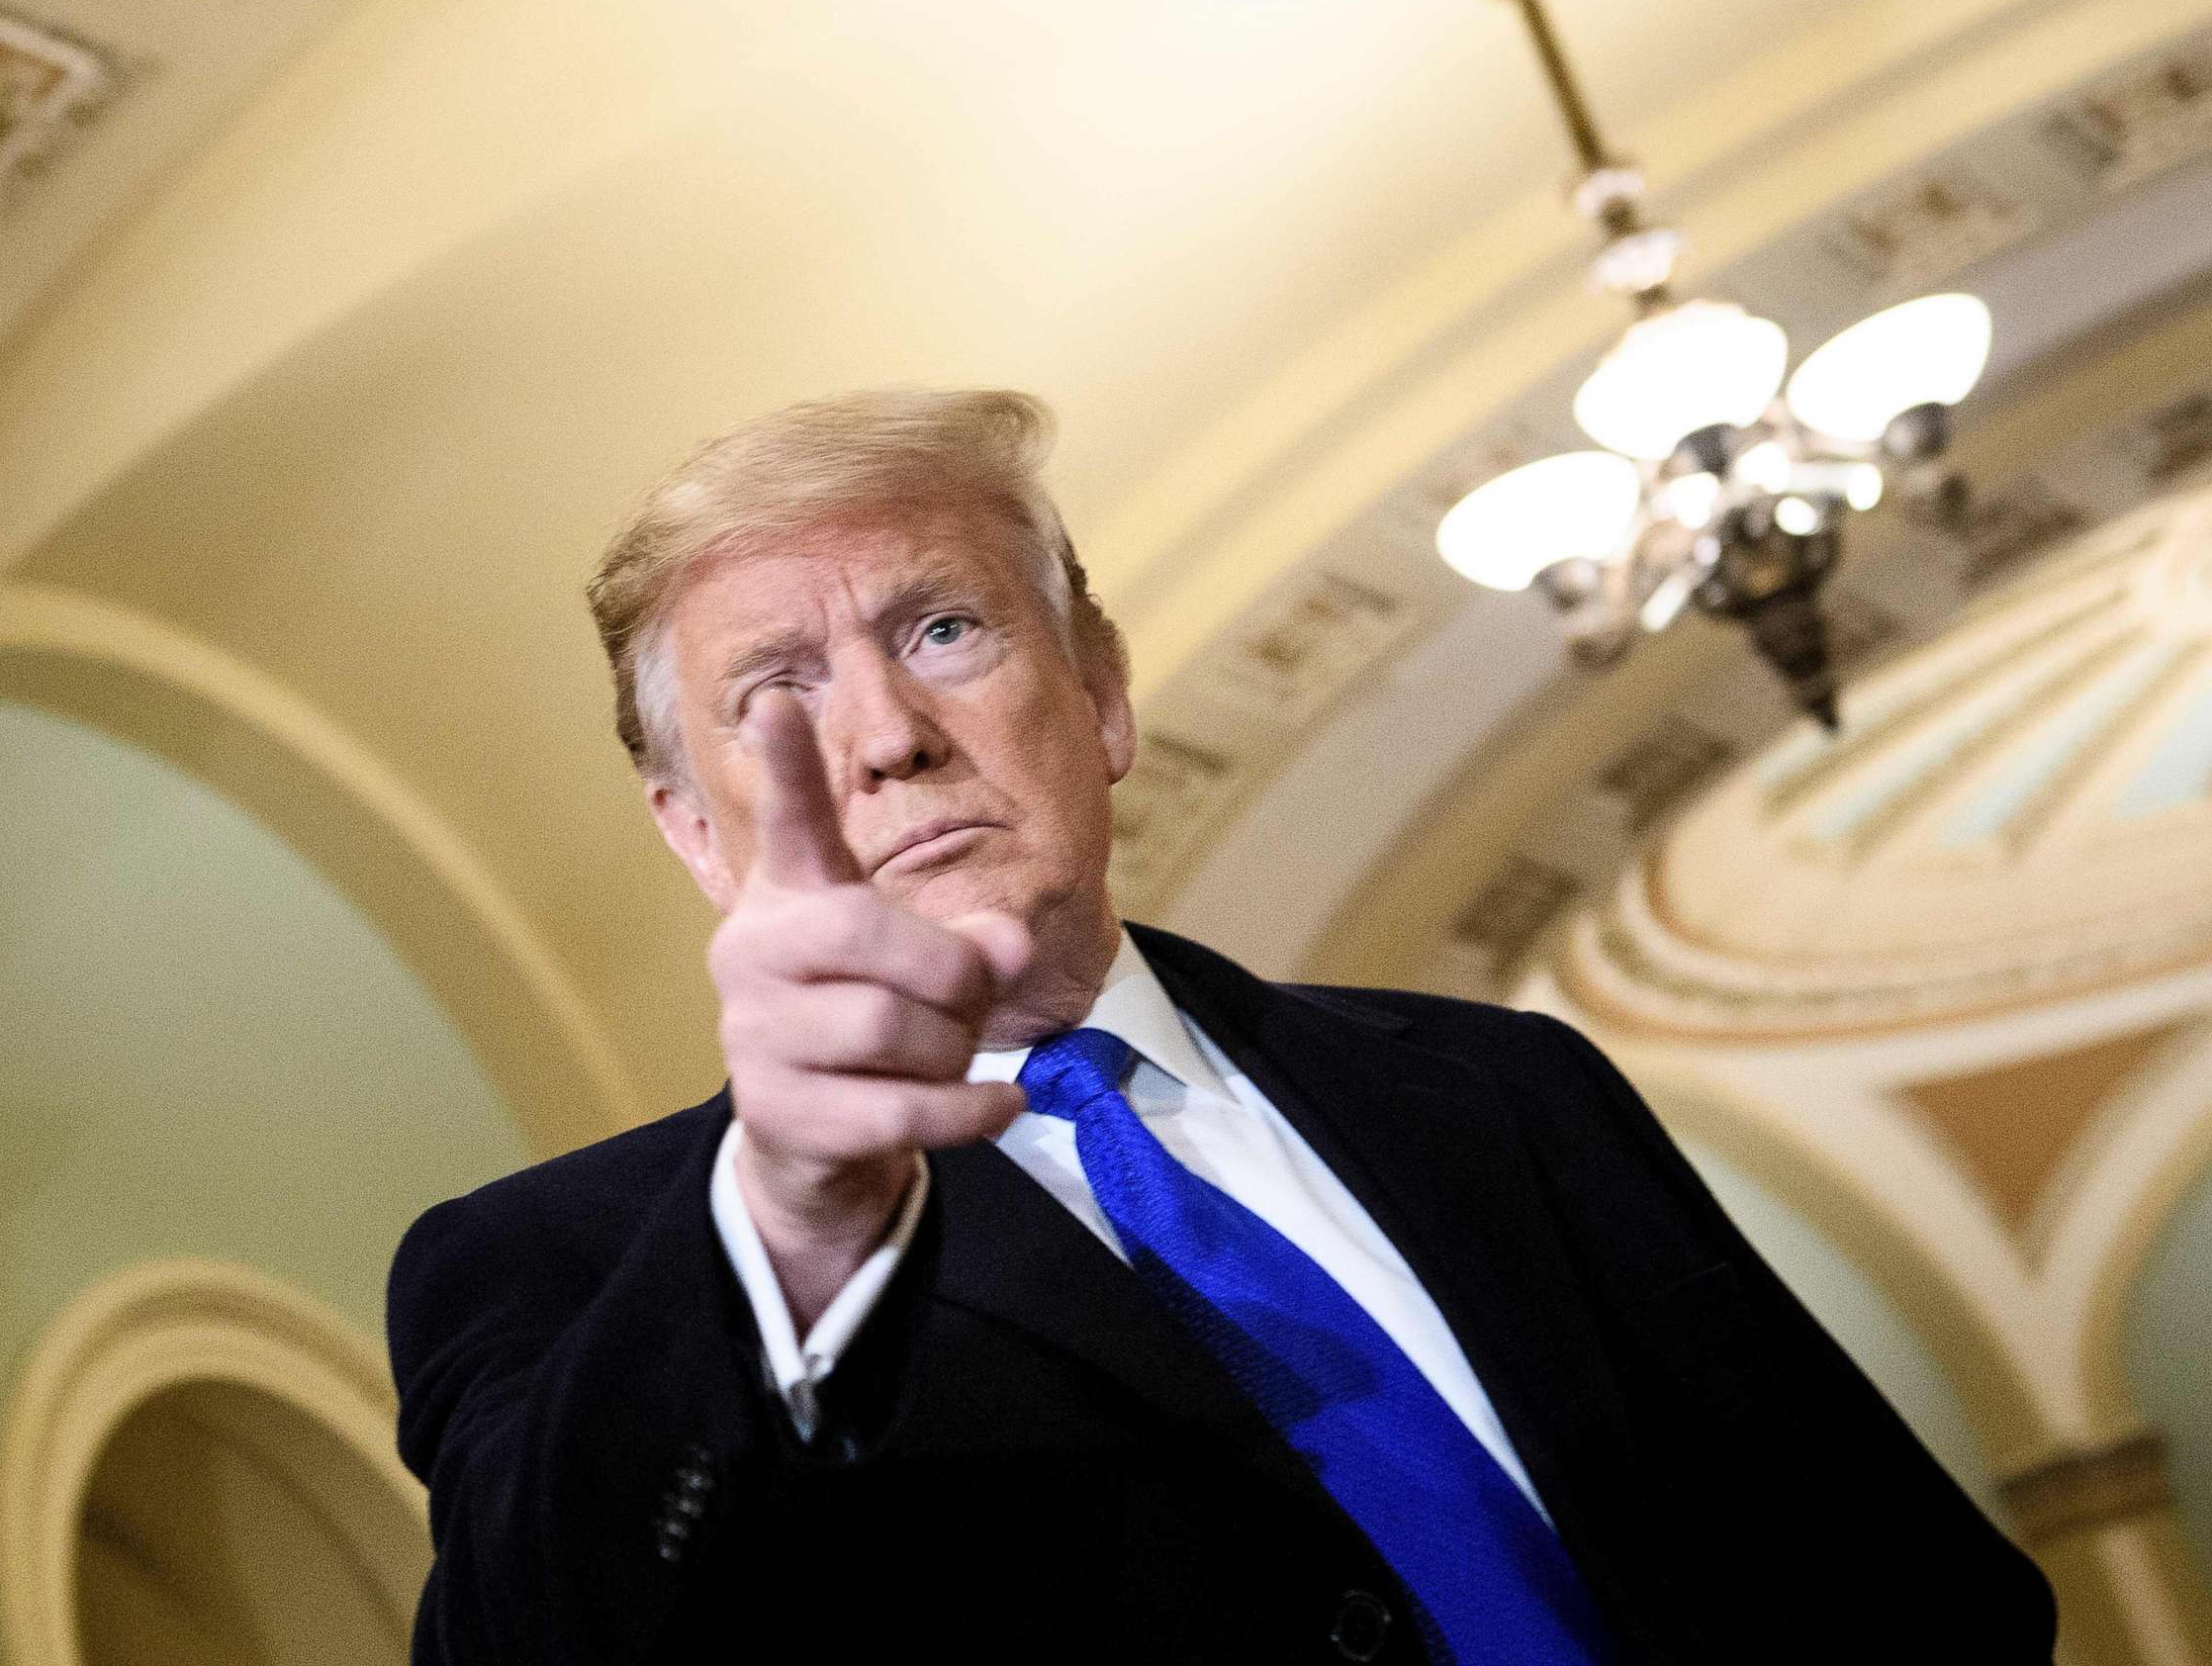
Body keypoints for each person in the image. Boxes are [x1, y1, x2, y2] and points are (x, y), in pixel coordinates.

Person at [387, 389, 2056, 1664]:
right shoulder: (556, 1268)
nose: (887, 736)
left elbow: (1906, 1583)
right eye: (778, 697)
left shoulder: (1505, 1089)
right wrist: (794, 1228)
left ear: (1101, 693)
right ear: (694, 830)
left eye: (943, 629)